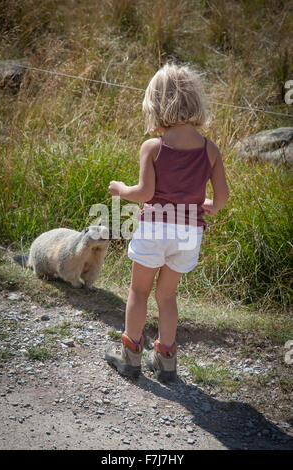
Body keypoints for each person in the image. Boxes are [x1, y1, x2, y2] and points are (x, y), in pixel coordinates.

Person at [105, 63, 229, 382]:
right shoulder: (210, 150)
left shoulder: (154, 147)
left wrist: (121, 190)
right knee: (168, 296)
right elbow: (222, 198)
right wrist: (209, 206)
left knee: (138, 291)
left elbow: (146, 192)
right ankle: (166, 361)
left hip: (155, 228)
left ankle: (131, 358)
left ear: (157, 105)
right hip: (189, 233)